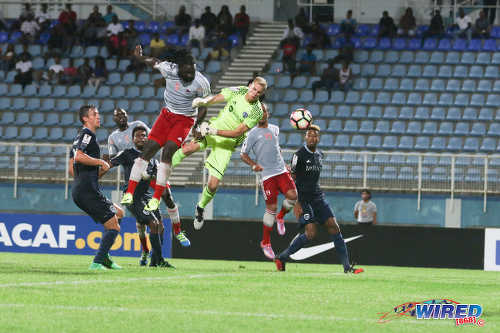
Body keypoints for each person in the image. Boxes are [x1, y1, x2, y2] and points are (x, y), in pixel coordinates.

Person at [120, 46, 211, 213]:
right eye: (186, 69)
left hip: (185, 120)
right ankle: (130, 192)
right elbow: (154, 62)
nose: (190, 72)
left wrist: (196, 125)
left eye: (193, 68)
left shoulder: (201, 83)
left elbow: (203, 107)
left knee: (167, 152)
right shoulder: (169, 69)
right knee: (148, 150)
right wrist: (140, 57)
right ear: (178, 67)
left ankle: (156, 198)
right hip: (167, 115)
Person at [169, 77, 267, 229]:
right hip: (213, 128)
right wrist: (203, 102)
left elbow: (236, 133)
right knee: (188, 148)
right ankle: (161, 171)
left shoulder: (257, 111)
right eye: (254, 89)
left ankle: (200, 208)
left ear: (261, 94)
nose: (254, 93)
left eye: (259, 93)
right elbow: (216, 98)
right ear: (250, 86)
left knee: (213, 185)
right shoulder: (239, 91)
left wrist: (214, 131)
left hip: (226, 143)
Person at [274, 125, 364, 274]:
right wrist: (296, 204)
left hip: (318, 197)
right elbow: (291, 180)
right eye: (309, 135)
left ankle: (347, 267)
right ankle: (282, 257)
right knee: (310, 234)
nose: (312, 138)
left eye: (315, 135)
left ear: (318, 138)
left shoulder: (319, 155)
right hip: (304, 199)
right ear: (305, 137)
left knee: (334, 227)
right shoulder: (299, 155)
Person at [108, 126, 183, 267]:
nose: (141, 138)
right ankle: (158, 260)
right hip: (132, 197)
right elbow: (110, 163)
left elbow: (157, 180)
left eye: (144, 135)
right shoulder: (127, 153)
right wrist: (98, 170)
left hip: (147, 196)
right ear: (133, 139)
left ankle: (154, 260)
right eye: (138, 136)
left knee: (160, 227)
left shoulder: (153, 160)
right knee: (153, 224)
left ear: (148, 138)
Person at [240, 103, 297, 259]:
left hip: (281, 171)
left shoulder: (275, 129)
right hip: (267, 175)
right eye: (258, 111)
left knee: (293, 196)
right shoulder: (251, 133)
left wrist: (285, 163)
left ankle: (281, 216)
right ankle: (265, 242)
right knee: (270, 208)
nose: (261, 113)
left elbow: (277, 148)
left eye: (263, 111)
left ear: (267, 114)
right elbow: (243, 154)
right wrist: (253, 165)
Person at [71, 105, 124, 270]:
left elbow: (79, 170)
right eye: (94, 114)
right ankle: (97, 262)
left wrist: (103, 169)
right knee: (114, 225)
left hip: (86, 188)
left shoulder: (85, 137)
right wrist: (100, 161)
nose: (98, 117)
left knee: (119, 213)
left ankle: (105, 257)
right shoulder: (86, 134)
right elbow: (78, 157)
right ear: (85, 118)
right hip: (86, 190)